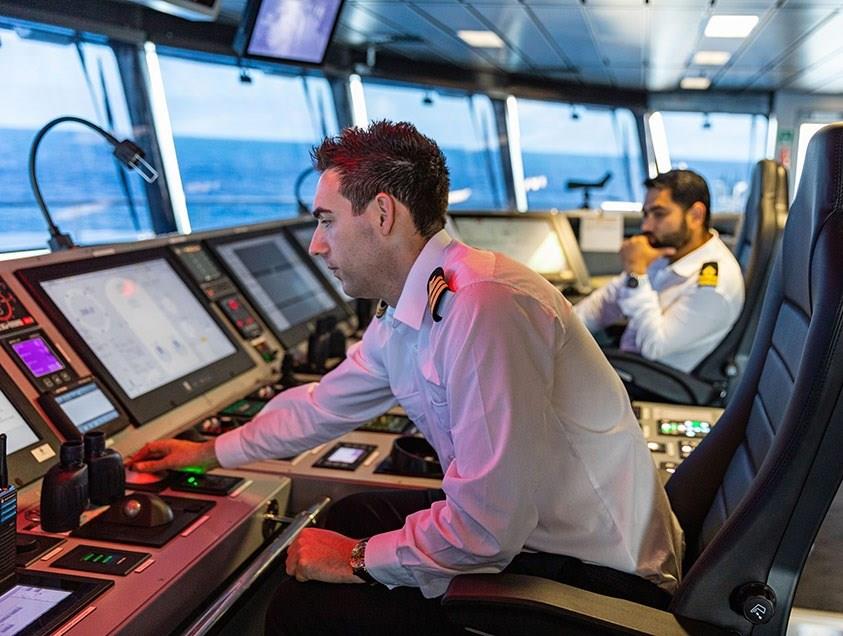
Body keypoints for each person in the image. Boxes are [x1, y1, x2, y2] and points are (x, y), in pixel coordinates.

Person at [128, 121, 683, 636]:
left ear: (382, 214)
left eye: (326, 221)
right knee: (348, 514)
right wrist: (205, 453)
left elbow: (488, 528)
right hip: (536, 532)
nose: (316, 244)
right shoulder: (410, 308)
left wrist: (354, 560)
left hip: (597, 575)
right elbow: (323, 405)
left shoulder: (484, 307)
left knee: (304, 607)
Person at [574, 170, 744, 373]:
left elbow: (653, 347)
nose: (646, 226)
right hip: (627, 363)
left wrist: (637, 274)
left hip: (650, 379)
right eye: (646, 214)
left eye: (659, 214)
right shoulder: (670, 252)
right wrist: (565, 327)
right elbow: (608, 300)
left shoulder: (716, 285)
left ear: (696, 215)